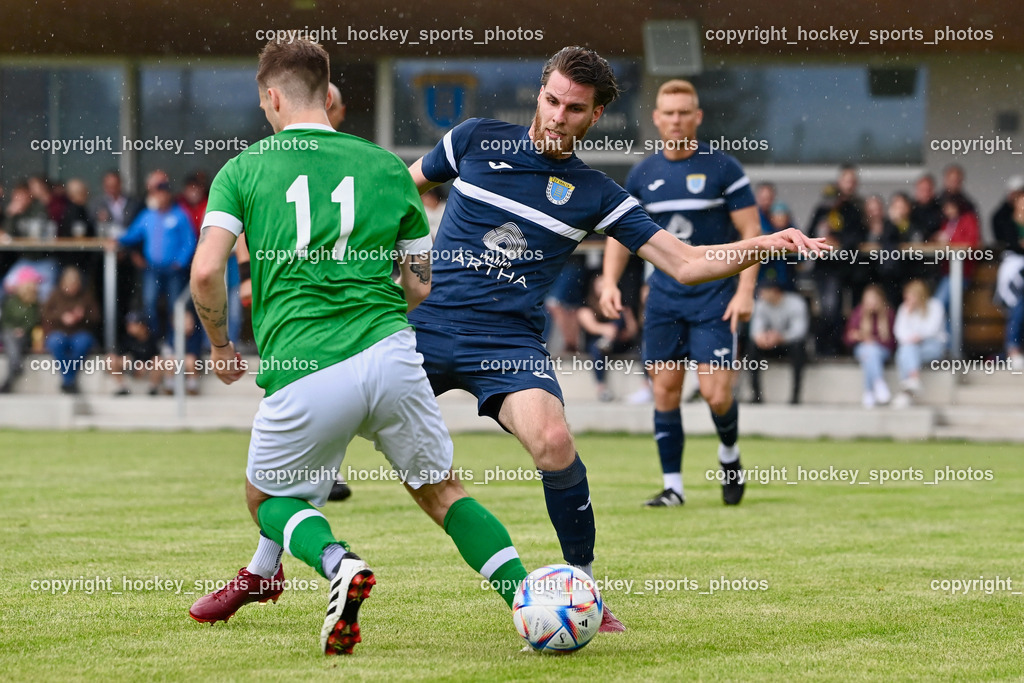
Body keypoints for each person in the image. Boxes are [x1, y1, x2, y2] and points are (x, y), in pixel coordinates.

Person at [405, 46, 826, 633]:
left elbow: (684, 262)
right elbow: (399, 194)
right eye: (551, 100)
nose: (557, 116)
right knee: (328, 421)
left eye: (574, 109)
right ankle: (270, 560)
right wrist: (400, 272)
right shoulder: (474, 138)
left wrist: (765, 244)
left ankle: (581, 591)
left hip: (505, 341)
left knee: (554, 440)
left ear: (595, 115)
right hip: (420, 327)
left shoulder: (597, 193)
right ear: (539, 94)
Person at [187, 38, 530, 655]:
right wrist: (375, 313)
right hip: (393, 354)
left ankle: (339, 564)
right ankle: (529, 600)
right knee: (442, 491)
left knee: (266, 498)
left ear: (271, 97)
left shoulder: (243, 168)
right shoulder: (387, 168)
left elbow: (207, 272)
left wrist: (219, 344)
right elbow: (421, 283)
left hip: (304, 363)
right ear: (327, 95)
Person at [601, 79, 763, 509]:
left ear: (697, 117)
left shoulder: (723, 169)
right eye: (668, 113)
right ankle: (674, 487)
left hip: (715, 299)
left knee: (716, 394)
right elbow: (620, 235)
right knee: (665, 390)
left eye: (683, 112)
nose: (675, 120)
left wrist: (746, 290)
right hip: (664, 300)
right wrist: (609, 281)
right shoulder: (643, 174)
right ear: (656, 119)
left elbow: (752, 234)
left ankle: (729, 455)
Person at [116, 182, 196, 343]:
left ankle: (174, 343)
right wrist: (117, 240)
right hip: (152, 268)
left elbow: (190, 241)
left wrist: (181, 261)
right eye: (157, 194)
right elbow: (133, 234)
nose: (159, 197)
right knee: (149, 304)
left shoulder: (180, 215)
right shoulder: (148, 216)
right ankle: (154, 342)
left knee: (176, 306)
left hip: (174, 269)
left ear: (168, 195)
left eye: (162, 194)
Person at [808, 167, 867, 355]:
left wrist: (838, 241)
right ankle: (823, 349)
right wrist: (823, 238)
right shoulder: (821, 211)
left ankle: (836, 348)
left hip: (844, 268)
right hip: (824, 268)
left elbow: (856, 236)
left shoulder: (853, 210)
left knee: (838, 309)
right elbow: (809, 235)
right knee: (827, 309)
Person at [577, 274, 638, 401]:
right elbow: (591, 326)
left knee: (619, 313)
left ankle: (646, 387)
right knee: (597, 348)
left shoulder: (621, 306)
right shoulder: (586, 306)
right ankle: (601, 387)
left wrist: (618, 334)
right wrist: (607, 330)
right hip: (597, 344)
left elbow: (633, 331)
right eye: (599, 285)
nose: (602, 288)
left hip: (619, 342)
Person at [748, 278, 809, 405]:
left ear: (775, 291)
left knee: (798, 348)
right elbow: (755, 330)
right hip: (769, 344)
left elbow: (800, 331)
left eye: (764, 291)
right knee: (752, 348)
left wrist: (781, 337)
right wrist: (763, 338)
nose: (761, 294)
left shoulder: (796, 303)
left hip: (788, 344)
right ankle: (756, 395)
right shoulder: (760, 304)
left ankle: (795, 396)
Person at [41, 266, 98, 394]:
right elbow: (45, 314)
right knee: (55, 342)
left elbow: (96, 317)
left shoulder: (85, 296)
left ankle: (68, 379)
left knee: (83, 343)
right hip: (59, 331)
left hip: (80, 332)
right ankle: (69, 379)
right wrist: (62, 317)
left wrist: (83, 316)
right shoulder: (55, 295)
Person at [892, 280, 946, 407]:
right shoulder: (904, 309)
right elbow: (899, 332)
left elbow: (932, 329)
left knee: (904, 353)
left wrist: (916, 336)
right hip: (912, 346)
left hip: (932, 345)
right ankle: (913, 379)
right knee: (906, 350)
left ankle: (905, 393)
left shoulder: (935, 306)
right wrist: (908, 314)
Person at [845, 284, 895, 408]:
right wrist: (858, 337)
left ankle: (869, 391)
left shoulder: (888, 313)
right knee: (868, 350)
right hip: (862, 348)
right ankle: (878, 383)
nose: (871, 302)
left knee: (870, 351)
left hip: (882, 350)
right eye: (868, 299)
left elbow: (892, 342)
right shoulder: (858, 313)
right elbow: (847, 339)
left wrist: (873, 340)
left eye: (874, 299)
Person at [993, 188, 1024, 370]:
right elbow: (1011, 244)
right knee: (1019, 303)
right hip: (1014, 267)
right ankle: (1012, 347)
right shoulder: (1007, 220)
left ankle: (1012, 347)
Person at [1, 266, 43, 393]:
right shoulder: (11, 301)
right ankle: (15, 365)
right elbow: (5, 320)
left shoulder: (35, 304)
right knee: (9, 337)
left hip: (26, 336)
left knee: (12, 340)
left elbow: (33, 320)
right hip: (9, 333)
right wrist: (13, 328)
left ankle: (12, 372)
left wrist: (23, 329)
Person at [108, 311, 162, 396]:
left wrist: (145, 366)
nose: (129, 327)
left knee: (158, 360)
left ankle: (153, 389)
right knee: (111, 359)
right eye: (129, 325)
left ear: (143, 326)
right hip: (132, 368)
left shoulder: (153, 339)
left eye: (133, 325)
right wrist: (133, 365)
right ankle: (122, 387)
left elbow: (159, 357)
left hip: (148, 370)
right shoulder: (127, 339)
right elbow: (119, 356)